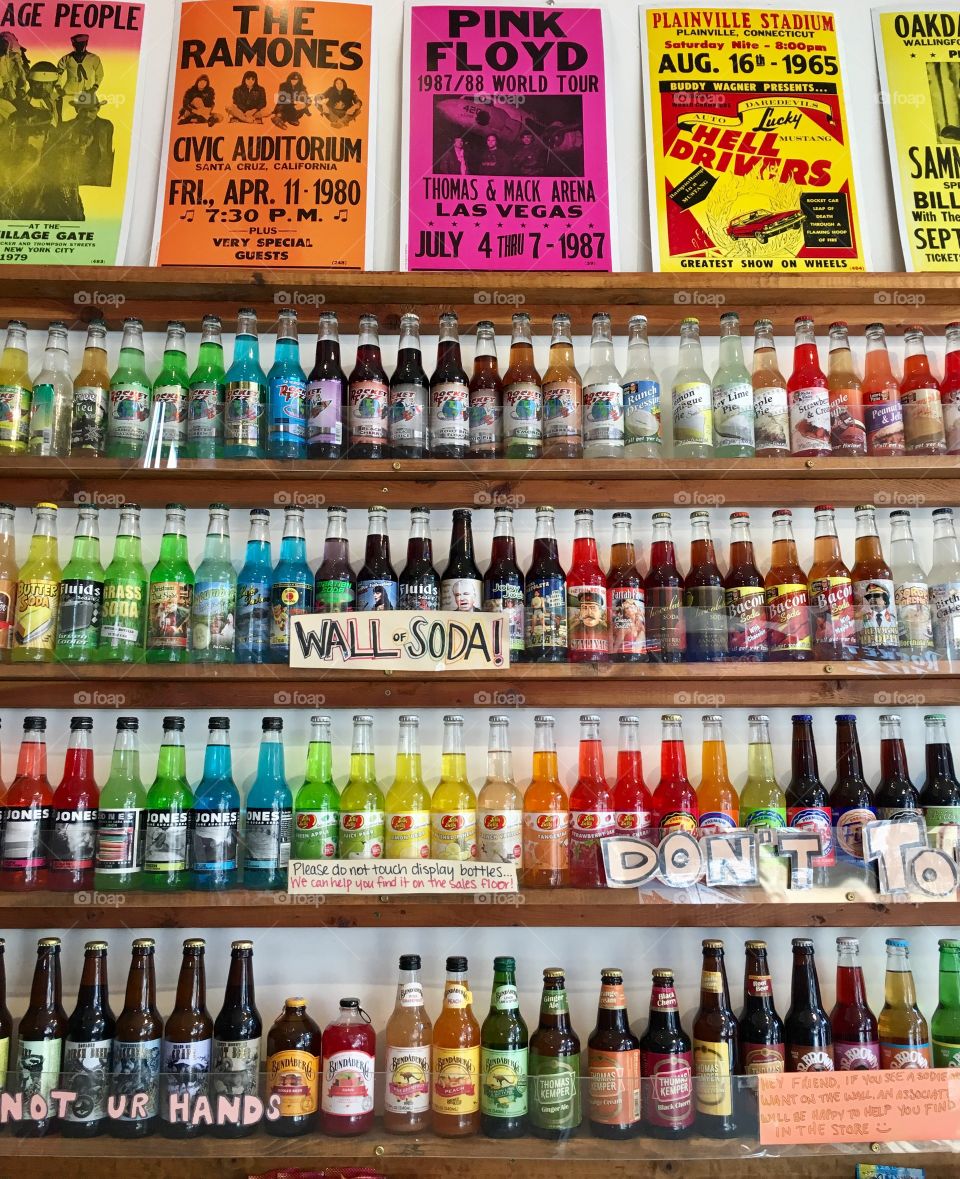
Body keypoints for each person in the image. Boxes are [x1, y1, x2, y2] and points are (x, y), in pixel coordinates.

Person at [57, 33, 103, 120]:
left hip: (87, 93)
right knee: (67, 118)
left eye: (82, 45)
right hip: (69, 93)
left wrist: (94, 87)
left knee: (86, 118)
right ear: (73, 45)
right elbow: (58, 73)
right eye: (77, 45)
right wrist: (58, 88)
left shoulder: (94, 58)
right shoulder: (66, 58)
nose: (80, 47)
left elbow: (100, 74)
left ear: (86, 44)